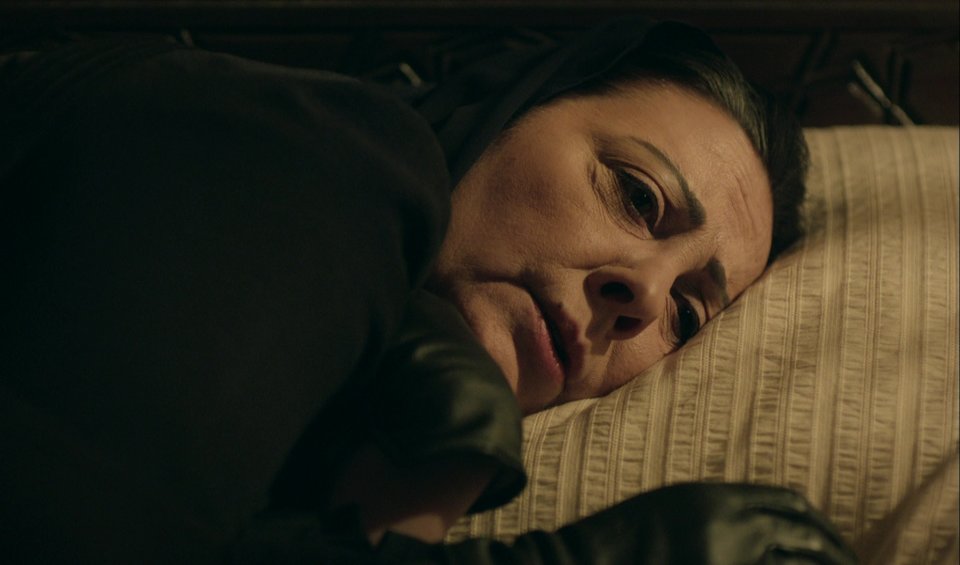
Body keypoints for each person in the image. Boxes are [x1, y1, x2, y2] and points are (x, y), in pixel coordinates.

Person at [0, 16, 853, 564]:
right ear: (509, 101)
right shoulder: (333, 147)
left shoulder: (398, 409)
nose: (642, 293)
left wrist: (406, 498)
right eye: (636, 195)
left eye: (687, 313)